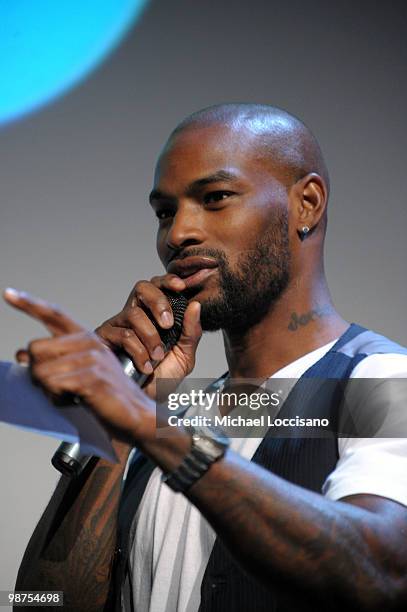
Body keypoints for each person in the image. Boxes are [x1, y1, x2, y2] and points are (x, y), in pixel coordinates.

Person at [5, 104, 407, 612]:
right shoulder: (167, 408)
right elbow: (39, 603)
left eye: (215, 198)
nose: (177, 234)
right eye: (164, 212)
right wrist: (115, 426)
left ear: (306, 204)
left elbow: (382, 572)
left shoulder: (383, 380)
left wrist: (161, 434)